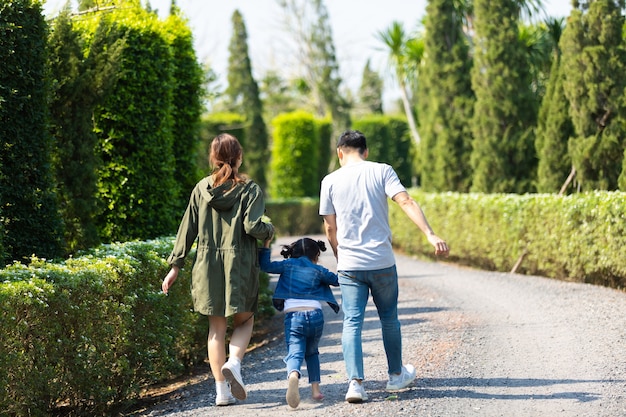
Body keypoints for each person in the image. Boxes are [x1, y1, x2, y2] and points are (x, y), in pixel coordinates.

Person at [319, 129, 449, 403]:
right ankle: (395, 376)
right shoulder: (382, 171)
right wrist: (430, 233)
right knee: (389, 318)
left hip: (350, 264)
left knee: (352, 322)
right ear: (365, 151)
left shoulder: (329, 180)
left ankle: (355, 384)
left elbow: (330, 227)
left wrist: (339, 255)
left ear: (339, 153)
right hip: (381, 261)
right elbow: (406, 201)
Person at [162, 133, 274, 406]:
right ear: (239, 157)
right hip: (240, 263)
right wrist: (269, 229)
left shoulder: (201, 188)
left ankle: (221, 392)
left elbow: (186, 229)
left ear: (213, 157)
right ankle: (234, 362)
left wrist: (175, 265)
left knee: (216, 330)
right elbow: (252, 227)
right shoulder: (250, 189)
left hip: (207, 264)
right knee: (244, 321)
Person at [258, 237, 339, 409]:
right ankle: (316, 390)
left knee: (295, 352)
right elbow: (337, 280)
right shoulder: (319, 270)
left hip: (294, 317)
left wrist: (265, 245)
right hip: (315, 316)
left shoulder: (286, 265)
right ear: (316, 254)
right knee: (312, 352)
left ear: (293, 253)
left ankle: (293, 375)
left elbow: (265, 266)